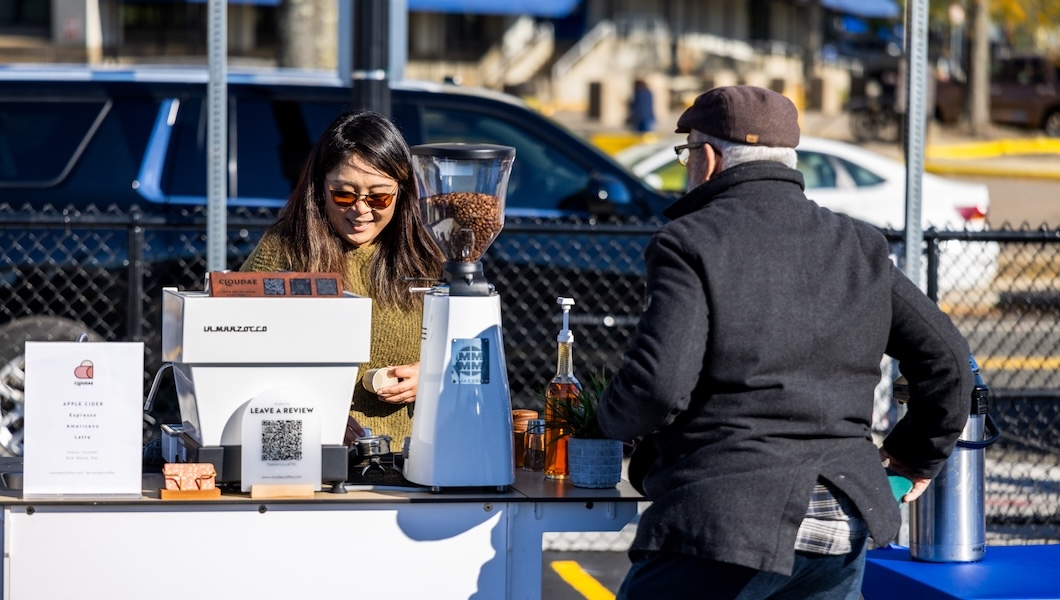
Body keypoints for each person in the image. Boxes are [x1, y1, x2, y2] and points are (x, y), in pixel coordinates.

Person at [596, 86, 972, 599]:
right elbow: (950, 361)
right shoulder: (859, 245)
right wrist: (913, 458)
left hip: (722, 521)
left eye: (686, 154)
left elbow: (658, 386)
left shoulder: (690, 241)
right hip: (843, 518)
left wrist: (602, 425)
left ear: (707, 159)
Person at [240, 109, 443, 444]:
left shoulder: (428, 257)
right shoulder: (284, 251)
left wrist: (433, 376)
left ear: (402, 192)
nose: (361, 210)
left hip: (413, 455)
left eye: (379, 196)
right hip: (309, 452)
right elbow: (237, 351)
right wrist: (310, 410)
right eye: (344, 195)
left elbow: (465, 353)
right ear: (320, 189)